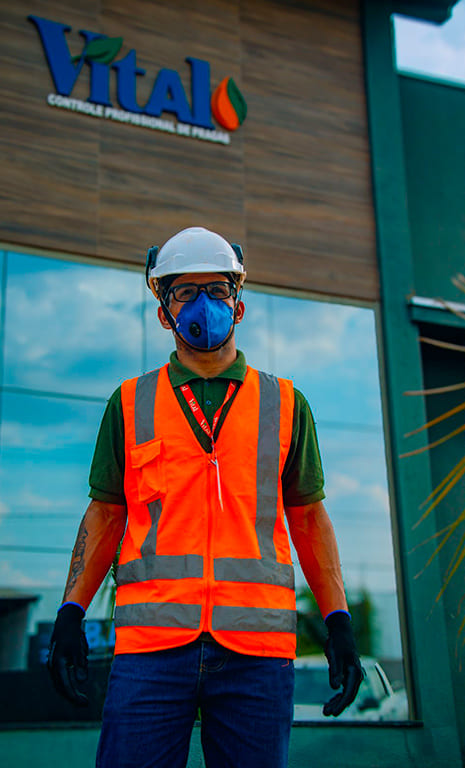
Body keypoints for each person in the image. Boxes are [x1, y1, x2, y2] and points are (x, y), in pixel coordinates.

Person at [45, 227, 364, 768]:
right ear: (164, 311)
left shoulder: (285, 403)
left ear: (239, 304)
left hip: (257, 655)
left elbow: (308, 519)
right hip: (150, 648)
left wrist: (338, 620)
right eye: (185, 292)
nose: (203, 305)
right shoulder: (128, 403)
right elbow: (106, 514)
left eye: (216, 290)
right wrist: (70, 612)